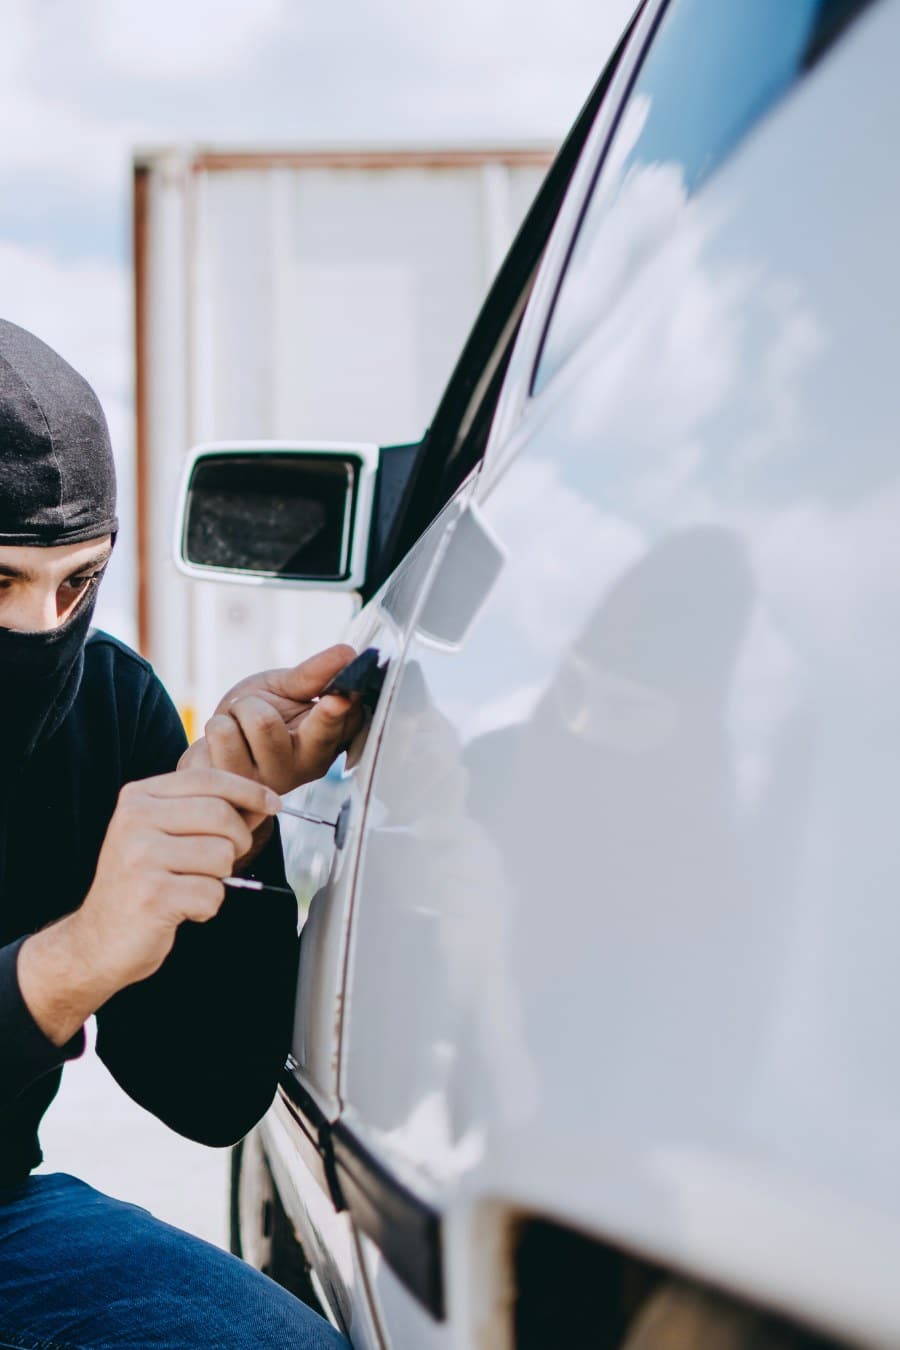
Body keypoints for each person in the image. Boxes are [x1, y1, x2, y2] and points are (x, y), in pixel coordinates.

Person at [0, 318, 358, 1348]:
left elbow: (205, 1094)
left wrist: (233, 831)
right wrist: (69, 964)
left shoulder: (109, 704)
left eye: (78, 581)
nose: (44, 628)